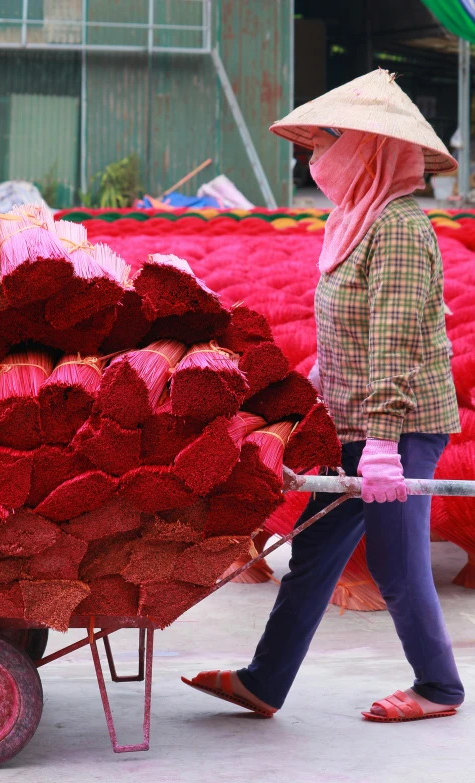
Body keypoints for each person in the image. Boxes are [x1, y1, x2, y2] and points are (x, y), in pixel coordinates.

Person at [182, 69, 465, 723]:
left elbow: (392, 342)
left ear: (368, 149)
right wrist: (311, 394)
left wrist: (386, 449)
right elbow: (348, 332)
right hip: (353, 420)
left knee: (395, 560)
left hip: (399, 427)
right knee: (313, 546)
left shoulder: (396, 228)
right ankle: (265, 679)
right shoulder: (353, 220)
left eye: (331, 140)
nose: (318, 156)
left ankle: (440, 686)